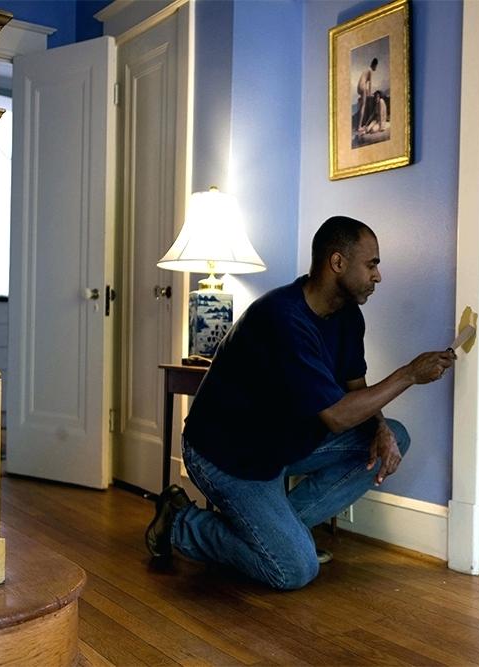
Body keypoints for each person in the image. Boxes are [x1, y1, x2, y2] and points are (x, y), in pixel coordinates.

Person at [145, 216, 456, 590]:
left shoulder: (347, 316)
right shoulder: (282, 318)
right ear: (337, 262)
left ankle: (276, 533)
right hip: (228, 456)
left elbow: (355, 386)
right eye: (371, 264)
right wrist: (408, 374)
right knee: (294, 570)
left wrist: (381, 429)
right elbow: (338, 416)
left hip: (283, 445)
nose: (378, 276)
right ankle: (181, 523)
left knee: (394, 435)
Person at [356, 58, 378, 134]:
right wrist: (370, 93)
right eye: (376, 66)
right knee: (363, 106)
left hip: (359, 87)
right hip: (363, 87)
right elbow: (370, 83)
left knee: (362, 103)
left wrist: (367, 93)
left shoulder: (366, 70)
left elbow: (364, 82)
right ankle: (359, 127)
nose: (376, 68)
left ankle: (360, 125)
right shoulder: (370, 70)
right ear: (374, 65)